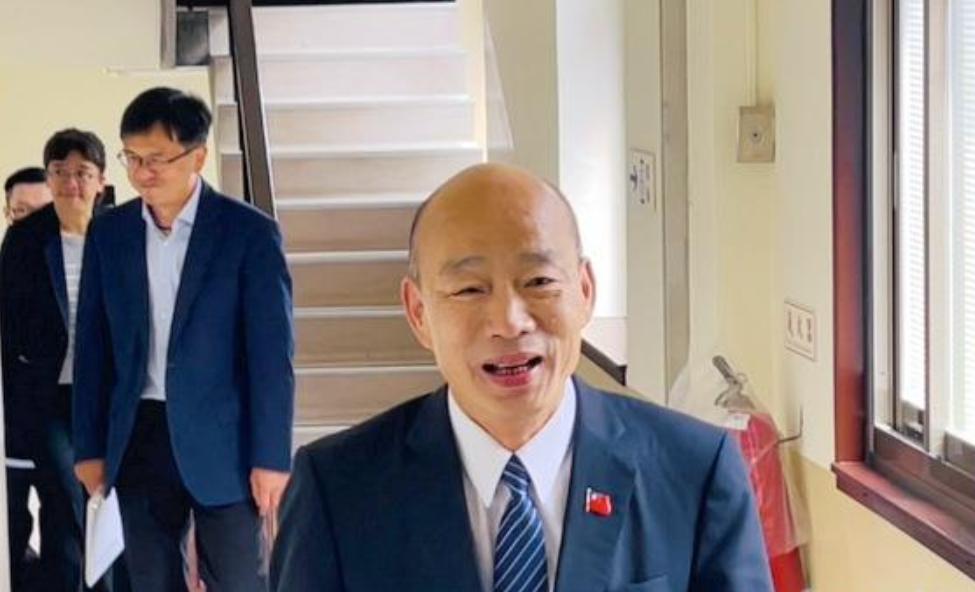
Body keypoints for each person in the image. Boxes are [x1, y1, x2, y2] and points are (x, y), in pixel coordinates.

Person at [271, 163, 773, 592]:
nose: (510, 322)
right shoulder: (338, 490)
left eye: (539, 282)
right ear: (418, 312)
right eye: (469, 289)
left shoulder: (695, 471)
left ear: (584, 291)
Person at [72, 86, 294, 592]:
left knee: (240, 579)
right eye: (132, 158)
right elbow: (92, 348)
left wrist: (272, 456)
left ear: (197, 156)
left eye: (157, 159)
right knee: (150, 579)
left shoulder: (248, 234)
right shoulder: (110, 234)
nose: (142, 173)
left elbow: (270, 356)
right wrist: (89, 446)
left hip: (226, 439)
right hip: (139, 434)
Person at [1, 130, 112, 591]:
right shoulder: (26, 239)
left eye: (82, 173)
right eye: (60, 172)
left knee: (110, 504)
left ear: (101, 180)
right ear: (49, 178)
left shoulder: (121, 233)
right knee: (65, 496)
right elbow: (10, 321)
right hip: (49, 396)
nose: (71, 183)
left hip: (110, 396)